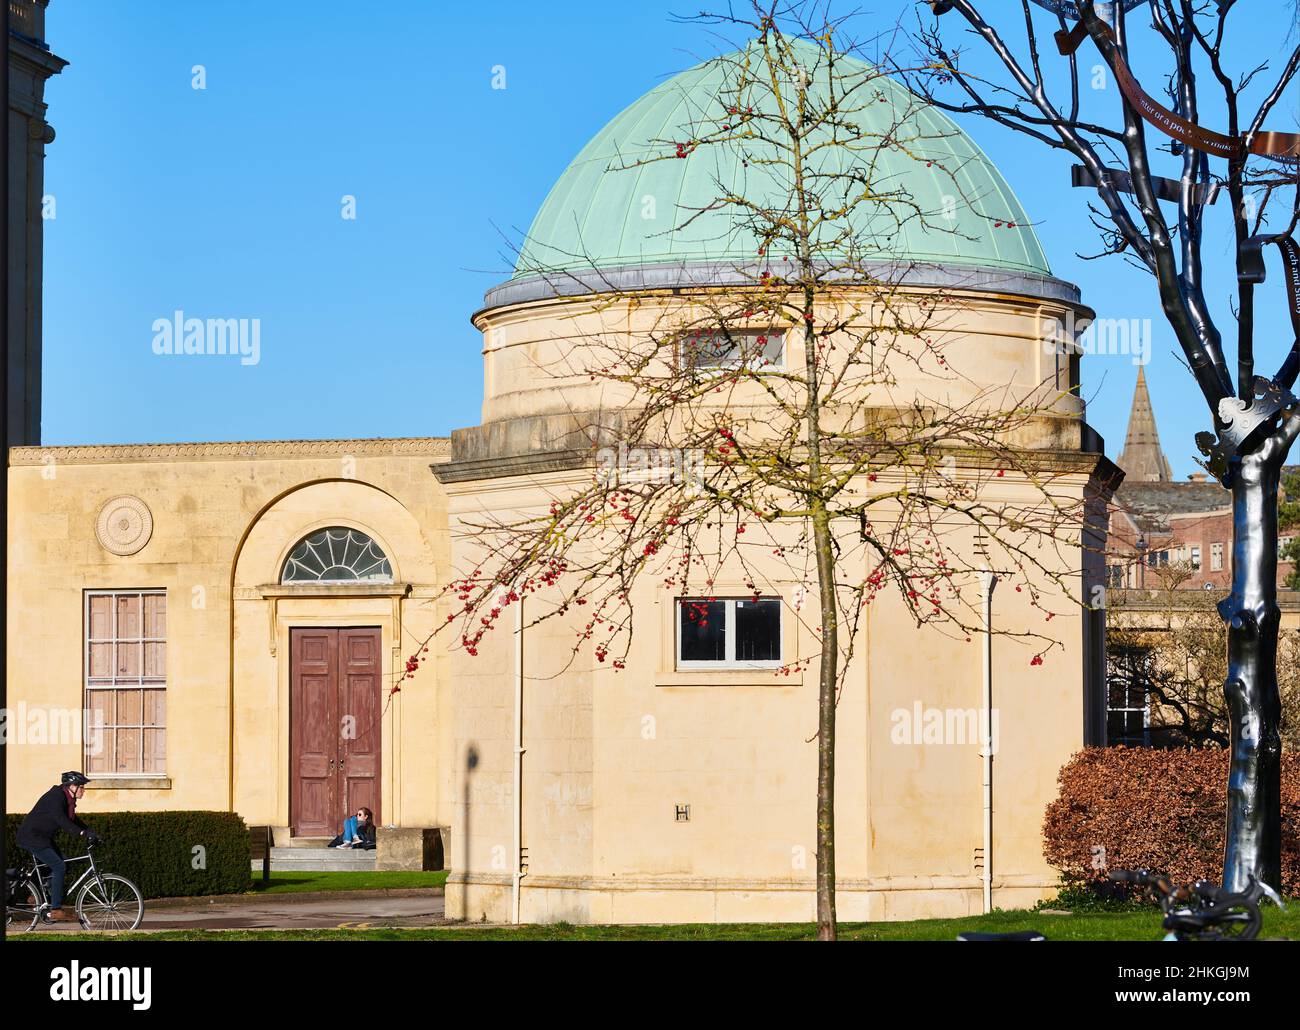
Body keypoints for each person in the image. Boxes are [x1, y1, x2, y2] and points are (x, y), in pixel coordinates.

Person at [17, 771, 101, 922]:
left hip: (42, 838)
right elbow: (61, 819)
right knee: (59, 866)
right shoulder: (56, 797)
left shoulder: (67, 799)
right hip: (32, 837)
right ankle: (56, 909)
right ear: (71, 786)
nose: (83, 790)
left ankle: (36, 896)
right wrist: (82, 834)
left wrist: (90, 832)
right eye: (81, 786)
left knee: (64, 864)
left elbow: (73, 819)